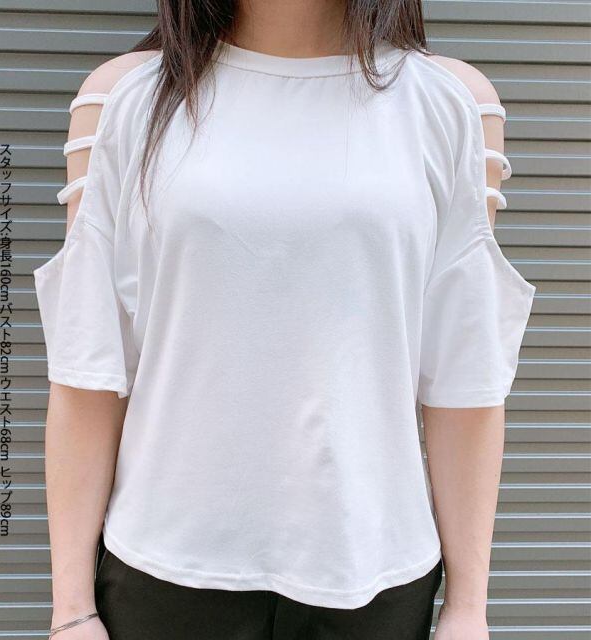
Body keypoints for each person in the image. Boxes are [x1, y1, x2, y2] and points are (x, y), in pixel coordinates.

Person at [36, 1, 536, 639]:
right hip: (164, 569)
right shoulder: (123, 99)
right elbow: (86, 369)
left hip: (374, 570)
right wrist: (71, 610)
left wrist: (468, 608)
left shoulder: (450, 103)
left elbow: (465, 381)